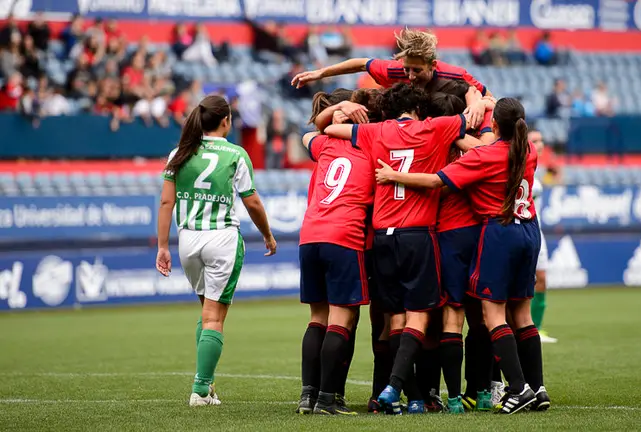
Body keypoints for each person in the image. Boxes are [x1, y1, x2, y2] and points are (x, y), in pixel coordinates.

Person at [374, 97, 550, 414]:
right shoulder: (530, 151)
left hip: (499, 231)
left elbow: (433, 182)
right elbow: (483, 146)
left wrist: (394, 176)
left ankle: (519, 388)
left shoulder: (486, 157)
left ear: (495, 124)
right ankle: (538, 389)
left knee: (492, 316)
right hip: (530, 230)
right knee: (522, 316)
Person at [324, 83, 482, 415]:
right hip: (417, 235)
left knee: (394, 317)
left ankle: (407, 397)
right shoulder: (435, 127)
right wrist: (474, 92)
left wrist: (345, 111)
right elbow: (470, 119)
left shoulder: (373, 131)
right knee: (420, 315)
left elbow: (330, 128)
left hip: (382, 236)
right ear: (419, 108)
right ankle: (396, 387)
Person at [155, 95, 277, 407]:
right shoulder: (235, 153)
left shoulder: (179, 152)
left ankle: (207, 389)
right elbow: (251, 201)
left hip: (188, 240)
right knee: (214, 316)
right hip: (221, 238)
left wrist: (162, 246)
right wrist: (267, 234)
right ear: (225, 121)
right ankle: (199, 389)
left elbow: (167, 202)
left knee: (207, 312)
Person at [295, 89, 380, 416]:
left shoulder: (324, 144)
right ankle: (328, 399)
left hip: (310, 234)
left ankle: (308, 395)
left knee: (317, 318)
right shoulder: (371, 144)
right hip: (344, 236)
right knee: (342, 320)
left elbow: (307, 135)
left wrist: (335, 114)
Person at [423, 81, 496, 414]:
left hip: (447, 235)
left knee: (450, 318)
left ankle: (452, 398)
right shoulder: (477, 148)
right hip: (478, 233)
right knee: (482, 317)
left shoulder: (427, 144)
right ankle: (480, 393)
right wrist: (481, 101)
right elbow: (487, 148)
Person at [292, 28, 491, 128]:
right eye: (407, 70)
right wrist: (321, 73)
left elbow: (493, 100)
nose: (411, 76)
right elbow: (362, 63)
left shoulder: (455, 74)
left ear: (432, 66)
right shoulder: (396, 70)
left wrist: (479, 105)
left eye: (417, 71)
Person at [527, 130, 558, 344]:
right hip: (522, 230)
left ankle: (536, 329)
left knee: (542, 279)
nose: (540, 144)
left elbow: (557, 177)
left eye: (541, 140)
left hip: (537, 230)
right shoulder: (519, 164)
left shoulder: (537, 170)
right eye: (534, 140)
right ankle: (522, 329)